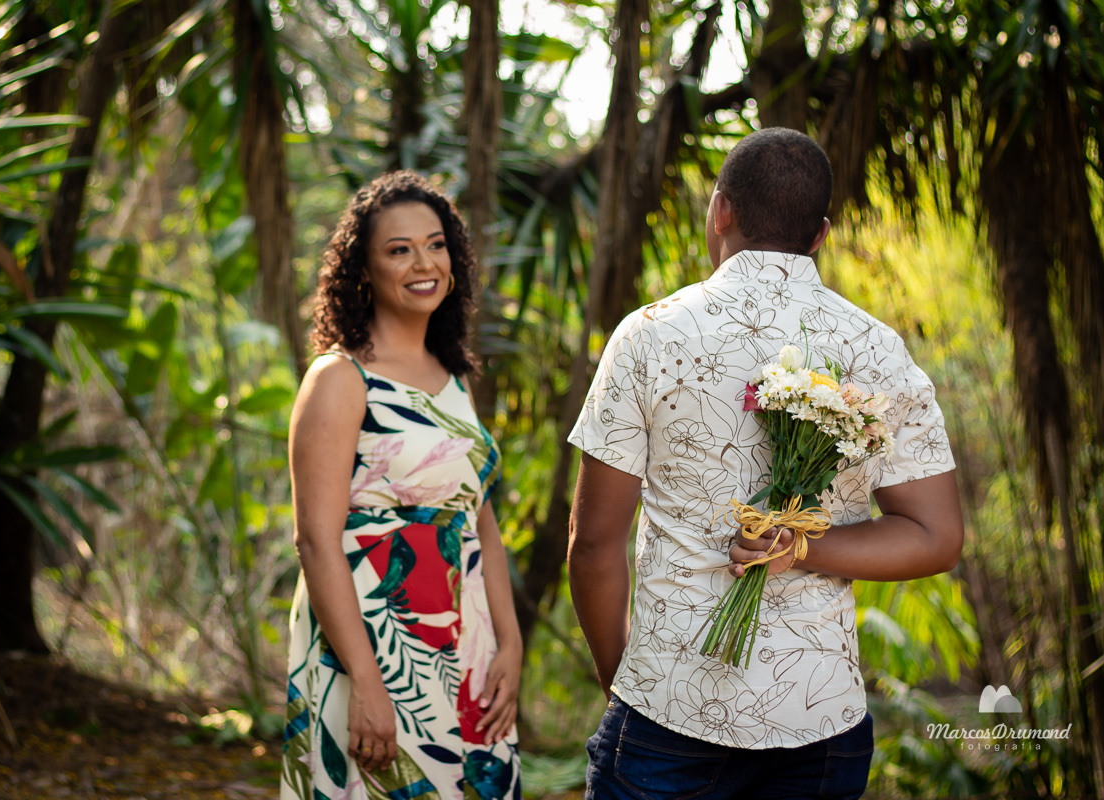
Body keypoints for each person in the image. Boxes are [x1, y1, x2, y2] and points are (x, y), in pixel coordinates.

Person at [566, 127, 964, 800]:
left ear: (720, 210)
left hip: (670, 707)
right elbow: (936, 537)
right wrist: (805, 547)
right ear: (821, 235)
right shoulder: (877, 349)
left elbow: (593, 542)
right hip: (821, 719)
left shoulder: (650, 334)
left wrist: (621, 682)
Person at [281, 171, 522, 800]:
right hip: (375, 643)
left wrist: (510, 643)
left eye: (436, 244)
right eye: (399, 249)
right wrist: (364, 676)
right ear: (363, 269)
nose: (424, 263)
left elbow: (481, 522)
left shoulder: (454, 378)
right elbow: (314, 540)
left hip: (465, 641)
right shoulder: (340, 378)